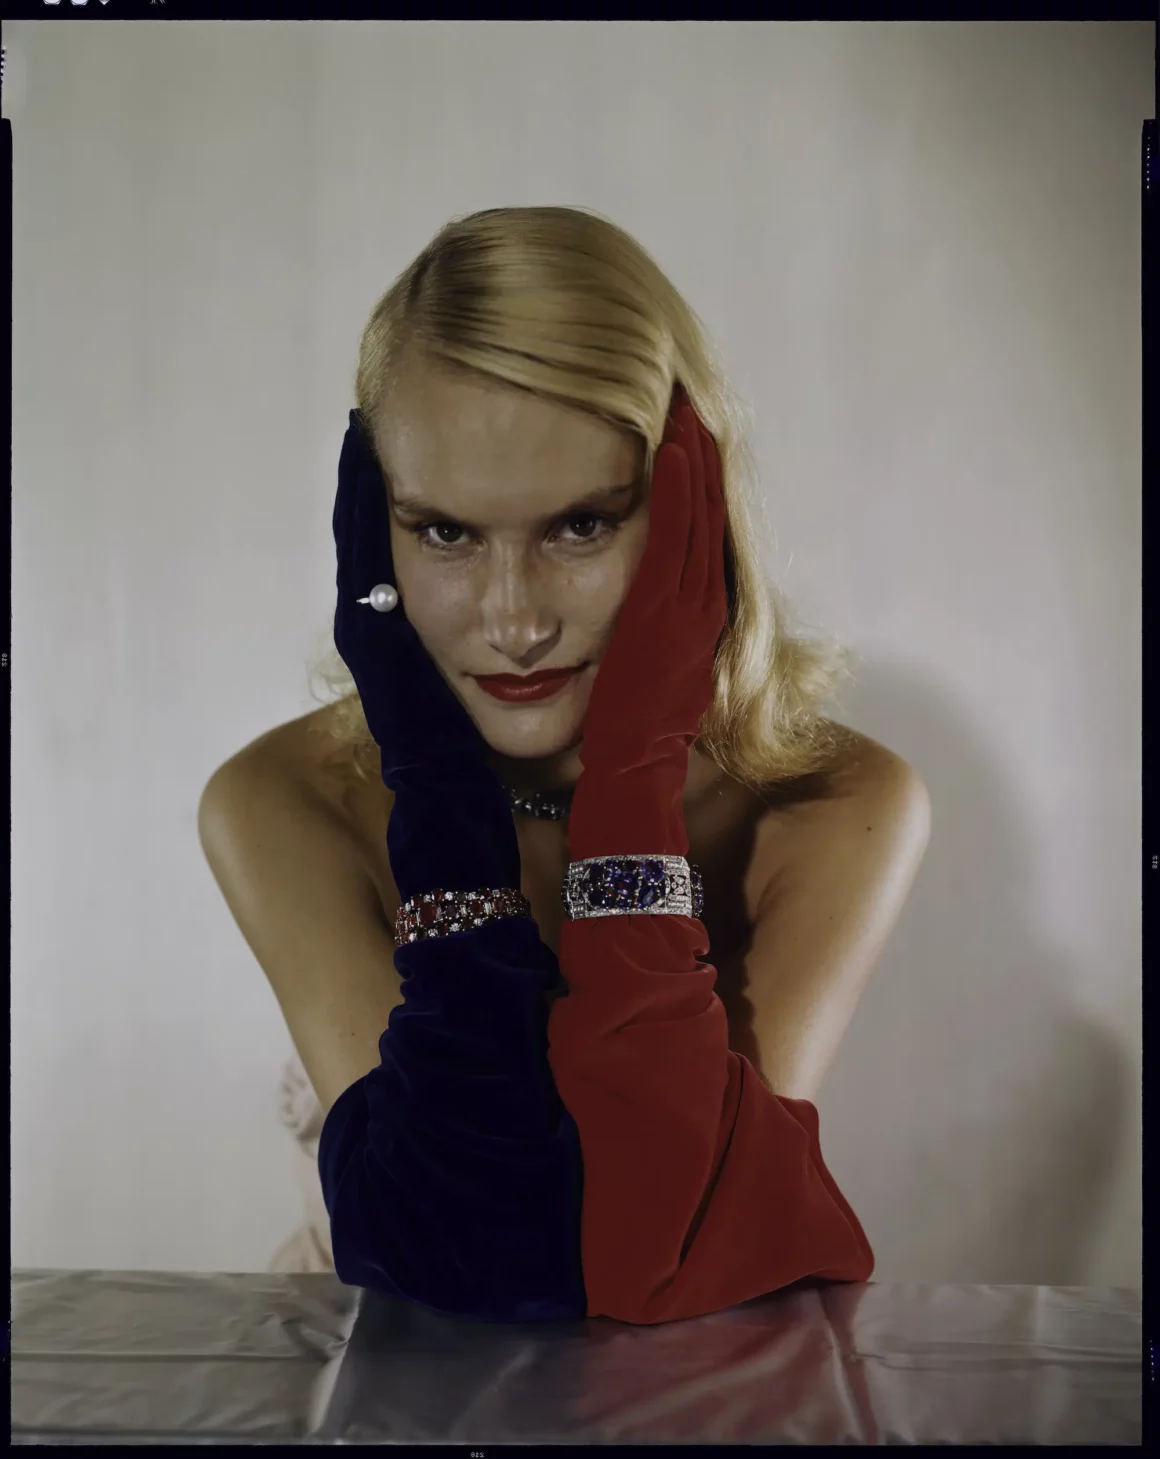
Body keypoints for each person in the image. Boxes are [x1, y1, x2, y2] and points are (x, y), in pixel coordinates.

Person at [198, 206, 932, 1324]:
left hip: (679, 1378)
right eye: (444, 531)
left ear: (691, 513)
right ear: (369, 531)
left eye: (580, 525)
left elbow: (661, 1250)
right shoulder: (280, 803)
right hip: (377, 1363)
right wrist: (435, 785)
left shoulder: (840, 807)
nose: (514, 622)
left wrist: (633, 773)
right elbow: (467, 1252)